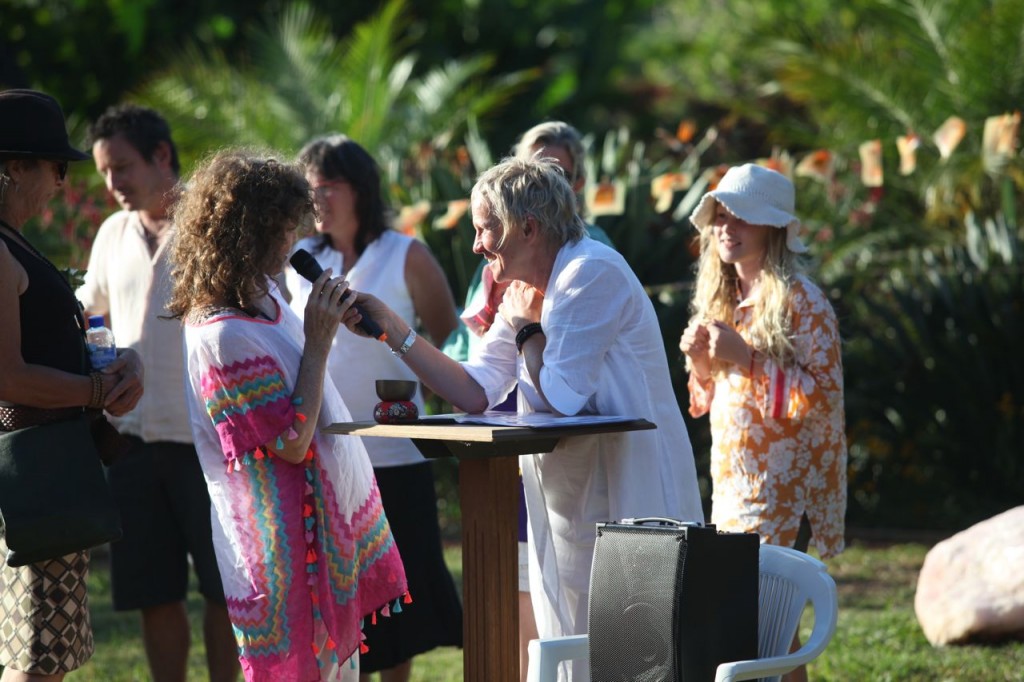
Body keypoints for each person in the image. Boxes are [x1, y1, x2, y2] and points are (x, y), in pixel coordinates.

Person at [344, 155, 704, 681]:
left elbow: (560, 397)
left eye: (484, 229)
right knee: (576, 646)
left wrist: (526, 333)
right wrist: (393, 331)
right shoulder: (521, 291)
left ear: (527, 228)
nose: (475, 245)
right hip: (568, 494)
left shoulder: (590, 272)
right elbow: (474, 390)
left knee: (631, 653)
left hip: (630, 486)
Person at [166, 149, 408, 682]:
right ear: (247, 232)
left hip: (321, 535)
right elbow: (292, 442)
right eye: (281, 228)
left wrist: (331, 326)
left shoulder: (267, 297)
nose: (290, 242)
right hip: (281, 549)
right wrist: (318, 342)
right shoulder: (221, 335)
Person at [282, 134, 463, 682]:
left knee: (398, 599)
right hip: (325, 452)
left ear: (359, 188)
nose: (318, 199)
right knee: (341, 595)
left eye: (327, 186)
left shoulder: (407, 254)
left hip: (397, 453)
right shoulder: (300, 262)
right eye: (309, 188)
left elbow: (453, 348)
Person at [76, 103, 238, 682]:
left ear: (161, 155)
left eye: (121, 166)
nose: (112, 182)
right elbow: (90, 308)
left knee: (229, 589)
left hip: (211, 440)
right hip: (132, 443)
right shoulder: (112, 232)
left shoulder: (213, 223)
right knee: (153, 592)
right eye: (103, 171)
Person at [678, 163, 847, 682]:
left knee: (764, 620)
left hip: (784, 488)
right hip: (733, 481)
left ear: (773, 227)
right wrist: (703, 363)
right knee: (763, 624)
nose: (727, 227)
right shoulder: (723, 300)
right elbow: (706, 401)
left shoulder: (803, 301)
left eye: (741, 218)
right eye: (720, 216)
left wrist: (746, 358)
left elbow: (823, 399)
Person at [0, 89, 143, 681]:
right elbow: (8, 378)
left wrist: (117, 365)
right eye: (55, 167)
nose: (61, 183)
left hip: (47, 472)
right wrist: (93, 392)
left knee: (42, 653)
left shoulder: (15, 244)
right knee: (36, 657)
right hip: (35, 478)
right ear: (12, 168)